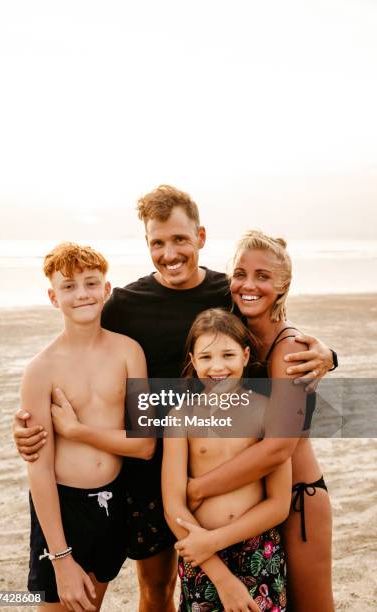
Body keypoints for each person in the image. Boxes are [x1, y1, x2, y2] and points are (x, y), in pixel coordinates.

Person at [13, 186, 336, 611]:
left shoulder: (229, 294)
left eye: (180, 239)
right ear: (147, 244)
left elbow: (271, 326)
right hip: (149, 474)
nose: (170, 253)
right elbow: (80, 344)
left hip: (230, 467)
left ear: (200, 238)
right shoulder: (124, 303)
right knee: (158, 589)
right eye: (158, 243)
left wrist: (328, 355)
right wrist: (26, 422)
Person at [181, 231, 334, 611]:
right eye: (241, 274)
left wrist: (199, 488)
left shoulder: (290, 348)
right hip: (251, 508)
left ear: (283, 285)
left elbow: (279, 447)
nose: (249, 285)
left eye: (263, 276)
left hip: (296, 499)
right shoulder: (233, 335)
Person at [22, 242, 154, 612]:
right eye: (68, 286)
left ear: (107, 290)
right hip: (63, 509)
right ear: (53, 297)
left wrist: (78, 431)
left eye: (91, 283)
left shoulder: (129, 352)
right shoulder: (40, 370)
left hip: (111, 504)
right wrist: (61, 557)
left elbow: (145, 444)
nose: (82, 294)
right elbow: (39, 467)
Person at [162, 308, 292, 611]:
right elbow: (173, 506)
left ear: (246, 356)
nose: (216, 366)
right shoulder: (180, 418)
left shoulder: (266, 413)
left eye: (227, 355)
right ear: (193, 362)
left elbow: (279, 503)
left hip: (259, 549)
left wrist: (216, 539)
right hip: (202, 557)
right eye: (205, 357)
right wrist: (219, 574)